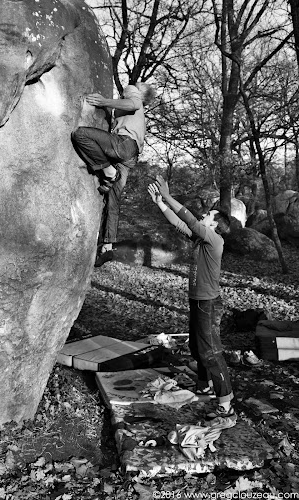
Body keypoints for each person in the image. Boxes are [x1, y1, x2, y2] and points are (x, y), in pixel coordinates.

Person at [148, 176, 235, 421]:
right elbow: (179, 223)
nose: (203, 216)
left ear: (215, 225)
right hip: (197, 300)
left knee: (211, 352)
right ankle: (204, 384)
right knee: (197, 348)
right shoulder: (201, 238)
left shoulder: (214, 239)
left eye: (208, 215)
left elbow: (187, 217)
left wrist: (168, 196)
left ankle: (226, 402)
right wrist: (160, 204)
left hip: (208, 303)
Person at [72, 83, 155, 267]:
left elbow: (133, 103)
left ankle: (108, 171)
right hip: (129, 156)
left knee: (80, 134)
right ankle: (107, 247)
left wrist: (104, 101)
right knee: (113, 202)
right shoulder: (132, 115)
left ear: (141, 94)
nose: (134, 85)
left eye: (138, 86)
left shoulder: (135, 99)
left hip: (124, 145)